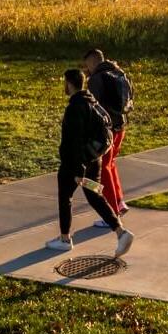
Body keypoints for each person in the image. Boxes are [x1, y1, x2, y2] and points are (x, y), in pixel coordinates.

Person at [46, 68, 134, 257]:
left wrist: (78, 171)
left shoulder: (75, 108)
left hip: (74, 166)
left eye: (65, 83)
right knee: (95, 197)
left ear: (69, 83)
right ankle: (121, 232)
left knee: (65, 198)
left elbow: (74, 140)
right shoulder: (92, 102)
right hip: (95, 161)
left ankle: (64, 239)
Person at [82, 48, 133, 222]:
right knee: (110, 165)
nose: (86, 69)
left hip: (107, 131)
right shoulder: (118, 72)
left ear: (93, 61)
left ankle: (111, 213)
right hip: (121, 126)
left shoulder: (97, 79)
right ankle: (119, 203)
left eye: (87, 64)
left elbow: (94, 109)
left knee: (103, 168)